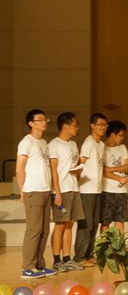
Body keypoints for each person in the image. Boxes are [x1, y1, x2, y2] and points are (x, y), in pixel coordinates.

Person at [17, 109, 58, 279]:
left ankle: (39, 265)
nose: (44, 122)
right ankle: (27, 267)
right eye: (40, 120)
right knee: (33, 230)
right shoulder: (26, 142)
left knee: (44, 230)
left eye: (45, 119)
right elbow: (19, 168)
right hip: (32, 190)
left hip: (45, 190)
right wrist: (22, 190)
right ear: (31, 123)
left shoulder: (43, 142)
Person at [48, 111, 86, 272]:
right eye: (75, 125)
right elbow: (53, 170)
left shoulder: (73, 144)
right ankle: (56, 260)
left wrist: (78, 169)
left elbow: (71, 166)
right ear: (66, 126)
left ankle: (67, 258)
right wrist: (57, 193)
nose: (77, 128)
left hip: (73, 187)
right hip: (61, 190)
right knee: (60, 225)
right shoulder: (54, 145)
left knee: (70, 225)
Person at [74, 113, 106, 267]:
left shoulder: (101, 144)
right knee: (86, 224)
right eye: (99, 124)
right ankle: (80, 256)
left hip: (97, 189)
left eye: (105, 125)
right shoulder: (88, 142)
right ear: (92, 125)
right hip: (86, 189)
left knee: (94, 224)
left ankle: (89, 254)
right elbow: (81, 164)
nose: (103, 128)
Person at [100, 120, 128, 233]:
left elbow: (127, 167)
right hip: (107, 189)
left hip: (121, 191)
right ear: (112, 134)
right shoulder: (102, 148)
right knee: (105, 221)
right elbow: (102, 170)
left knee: (120, 220)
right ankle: (105, 243)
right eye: (120, 135)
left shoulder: (122, 147)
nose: (122, 138)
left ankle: (119, 244)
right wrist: (119, 178)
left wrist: (111, 169)